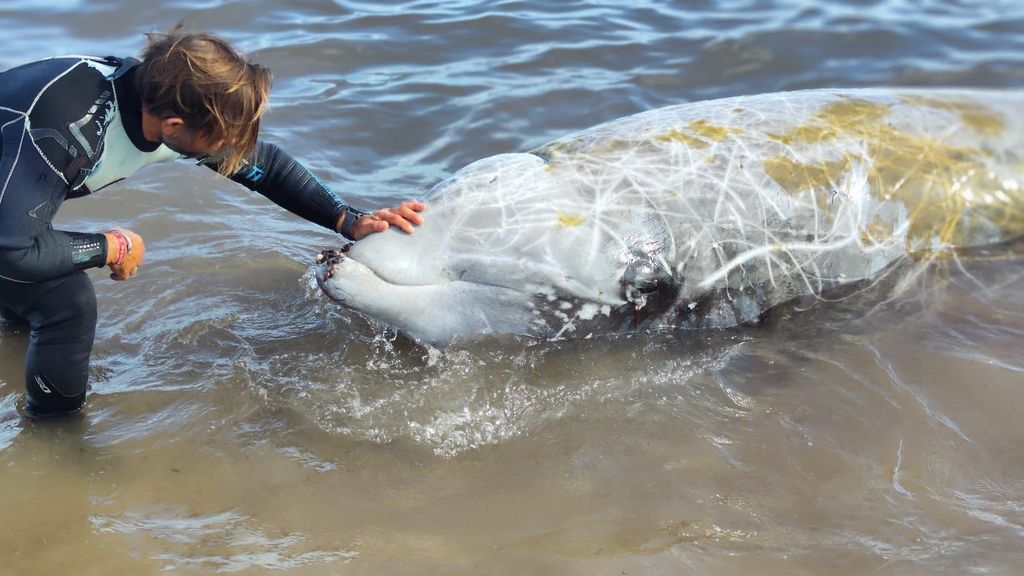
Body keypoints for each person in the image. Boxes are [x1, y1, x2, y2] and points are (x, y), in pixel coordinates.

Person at [0, 24, 426, 417]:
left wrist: (350, 221)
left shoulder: (157, 102)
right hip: (9, 213)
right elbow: (13, 251)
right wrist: (114, 245)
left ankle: (15, 353)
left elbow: (266, 168)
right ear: (174, 125)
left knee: (34, 284)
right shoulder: (65, 130)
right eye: (223, 138)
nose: (231, 148)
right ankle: (55, 444)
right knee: (65, 301)